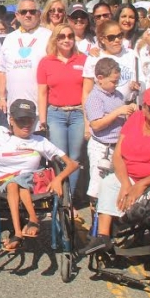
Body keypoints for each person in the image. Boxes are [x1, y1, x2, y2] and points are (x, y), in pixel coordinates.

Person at [84, 86, 150, 255]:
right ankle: (103, 237)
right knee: (108, 183)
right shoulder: (135, 120)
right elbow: (117, 156)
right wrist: (126, 184)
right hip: (133, 175)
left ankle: (128, 220)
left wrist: (142, 184)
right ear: (144, 107)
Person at [0, 99, 79, 251]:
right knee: (13, 184)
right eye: (21, 120)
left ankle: (18, 232)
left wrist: (58, 179)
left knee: (16, 183)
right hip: (5, 184)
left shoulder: (40, 141)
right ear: (11, 120)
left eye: (30, 119)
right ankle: (30, 221)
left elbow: (72, 164)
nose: (27, 124)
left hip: (34, 183)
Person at [37, 23, 87, 198]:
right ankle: (60, 197)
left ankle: (69, 200)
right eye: (62, 37)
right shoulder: (46, 62)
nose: (66, 40)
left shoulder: (84, 59)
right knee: (60, 157)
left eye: (70, 36)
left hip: (78, 114)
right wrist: (42, 119)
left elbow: (88, 91)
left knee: (75, 157)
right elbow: (42, 92)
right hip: (55, 114)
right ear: (55, 40)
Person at [84, 58, 137, 204]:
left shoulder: (118, 95)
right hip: (101, 147)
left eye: (117, 81)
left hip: (118, 146)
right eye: (113, 81)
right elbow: (95, 125)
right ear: (100, 78)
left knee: (115, 184)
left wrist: (129, 111)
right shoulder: (94, 98)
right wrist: (117, 112)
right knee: (98, 186)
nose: (116, 85)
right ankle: (96, 219)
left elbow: (123, 118)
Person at [0, 0, 52, 112]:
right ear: (17, 15)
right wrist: (2, 98)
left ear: (38, 14)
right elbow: (2, 71)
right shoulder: (9, 38)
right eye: (23, 12)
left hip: (40, 108)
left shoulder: (49, 36)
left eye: (32, 11)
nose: (28, 15)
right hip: (13, 106)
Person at [82, 20, 139, 105]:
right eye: (111, 37)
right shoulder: (94, 58)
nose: (117, 40)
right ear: (102, 39)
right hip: (103, 108)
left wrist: (136, 85)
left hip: (128, 107)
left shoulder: (132, 54)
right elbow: (87, 91)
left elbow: (141, 80)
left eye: (120, 36)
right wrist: (87, 115)